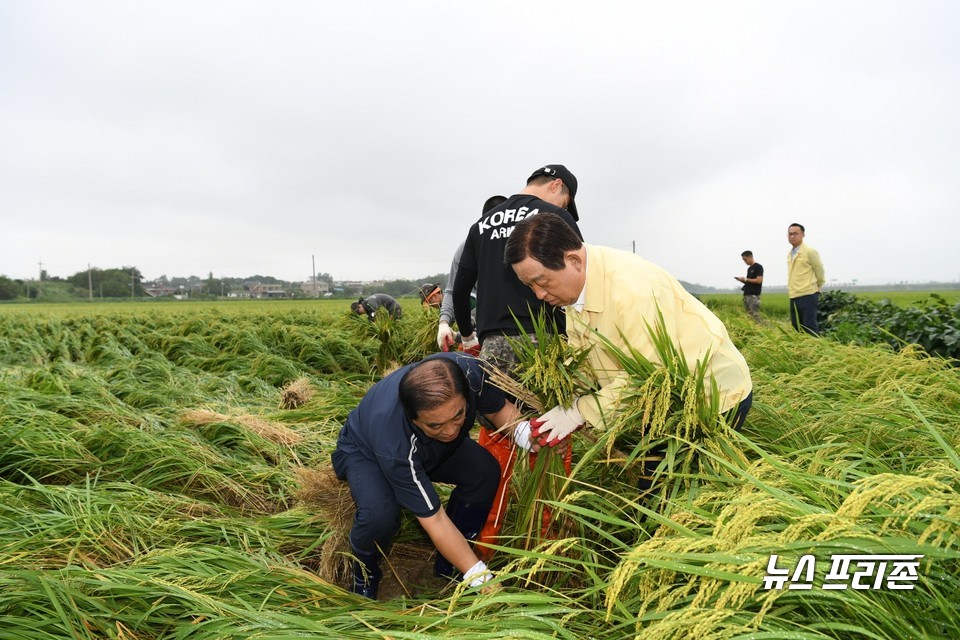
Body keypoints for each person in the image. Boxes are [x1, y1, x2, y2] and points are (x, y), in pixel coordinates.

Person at [504, 212, 753, 490]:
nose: (539, 294)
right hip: (662, 400)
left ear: (573, 260)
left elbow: (648, 376)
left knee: (679, 490)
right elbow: (582, 354)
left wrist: (578, 412)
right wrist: (565, 402)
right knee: (657, 482)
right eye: (530, 286)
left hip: (710, 394)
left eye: (543, 282)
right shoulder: (577, 289)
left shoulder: (633, 292)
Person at [330, 353, 536, 599]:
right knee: (379, 514)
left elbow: (498, 408)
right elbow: (434, 519)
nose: (450, 430)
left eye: (458, 415)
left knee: (484, 472)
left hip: (428, 447)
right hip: (366, 453)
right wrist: (481, 578)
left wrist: (527, 435)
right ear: (413, 417)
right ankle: (364, 573)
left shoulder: (470, 374)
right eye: (435, 425)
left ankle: (452, 563)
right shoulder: (395, 446)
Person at [452, 165, 582, 372]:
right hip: (545, 342)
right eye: (565, 204)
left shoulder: (480, 226)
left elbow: (459, 291)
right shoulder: (555, 216)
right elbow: (581, 273)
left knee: (496, 403)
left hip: (493, 345)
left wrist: (468, 336)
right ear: (557, 185)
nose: (564, 209)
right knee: (547, 405)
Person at [436, 195, 507, 353]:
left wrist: (465, 332)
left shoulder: (519, 244)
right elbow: (454, 290)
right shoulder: (468, 247)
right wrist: (444, 323)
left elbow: (498, 298)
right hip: (480, 323)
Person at [786, 223, 826, 335]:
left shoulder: (810, 251)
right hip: (794, 295)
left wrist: (819, 284)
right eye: (790, 234)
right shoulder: (790, 254)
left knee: (809, 327)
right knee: (796, 327)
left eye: (795, 233)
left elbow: (819, 269)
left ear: (803, 235)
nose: (792, 236)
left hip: (808, 294)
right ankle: (802, 351)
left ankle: (816, 350)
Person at [735, 250, 764, 323]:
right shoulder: (749, 269)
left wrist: (746, 279)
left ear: (750, 257)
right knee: (748, 316)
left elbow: (758, 280)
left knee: (755, 315)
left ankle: (761, 329)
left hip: (753, 296)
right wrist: (743, 280)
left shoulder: (758, 267)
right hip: (747, 295)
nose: (744, 261)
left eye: (745, 259)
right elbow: (750, 281)